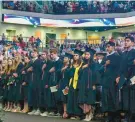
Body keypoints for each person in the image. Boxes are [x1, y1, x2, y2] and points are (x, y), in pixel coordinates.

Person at [116, 36, 135, 122]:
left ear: (133, 43)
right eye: (125, 41)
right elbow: (121, 66)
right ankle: (127, 116)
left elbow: (131, 64)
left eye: (128, 41)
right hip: (124, 79)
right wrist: (118, 76)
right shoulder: (124, 53)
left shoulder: (134, 51)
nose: (126, 42)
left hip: (132, 78)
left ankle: (131, 118)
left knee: (132, 98)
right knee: (126, 98)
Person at [101, 41, 121, 122]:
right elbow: (100, 68)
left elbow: (120, 68)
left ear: (113, 47)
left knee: (113, 98)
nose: (107, 48)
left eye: (109, 46)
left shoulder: (117, 56)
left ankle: (116, 116)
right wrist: (105, 64)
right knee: (106, 98)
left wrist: (118, 77)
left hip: (113, 80)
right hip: (106, 80)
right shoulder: (105, 57)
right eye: (107, 46)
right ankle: (109, 115)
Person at [78, 48, 97, 121]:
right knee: (84, 100)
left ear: (91, 55)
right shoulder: (83, 63)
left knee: (89, 99)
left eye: (88, 54)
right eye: (85, 54)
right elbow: (79, 73)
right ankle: (86, 114)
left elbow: (95, 74)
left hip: (90, 84)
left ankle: (90, 114)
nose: (86, 55)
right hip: (83, 84)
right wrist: (83, 67)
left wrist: (94, 84)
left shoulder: (94, 64)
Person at [67, 49, 83, 119]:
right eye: (74, 55)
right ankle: (71, 113)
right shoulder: (72, 64)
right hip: (71, 82)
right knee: (71, 98)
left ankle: (78, 114)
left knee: (76, 98)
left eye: (76, 55)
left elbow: (81, 74)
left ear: (79, 56)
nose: (75, 56)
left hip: (78, 83)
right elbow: (70, 74)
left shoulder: (82, 64)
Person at [27, 49, 42, 115]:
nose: (33, 53)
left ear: (37, 54)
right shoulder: (30, 61)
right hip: (31, 80)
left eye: (35, 52)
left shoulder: (39, 61)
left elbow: (39, 70)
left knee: (37, 95)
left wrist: (32, 69)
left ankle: (38, 109)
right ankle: (33, 108)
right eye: (32, 52)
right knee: (32, 95)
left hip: (37, 80)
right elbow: (28, 68)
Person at [48, 48, 63, 116]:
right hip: (53, 81)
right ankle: (55, 110)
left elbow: (60, 71)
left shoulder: (60, 61)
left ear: (56, 53)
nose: (51, 56)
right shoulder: (53, 62)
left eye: (52, 54)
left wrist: (54, 69)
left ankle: (60, 111)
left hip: (57, 82)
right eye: (50, 54)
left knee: (57, 96)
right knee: (53, 96)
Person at [40, 50, 53, 117]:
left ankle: (48, 110)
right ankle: (44, 109)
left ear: (47, 55)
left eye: (44, 54)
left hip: (47, 81)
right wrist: (42, 68)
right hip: (42, 80)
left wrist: (47, 83)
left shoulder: (50, 62)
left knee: (47, 96)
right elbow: (42, 72)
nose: (43, 55)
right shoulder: (43, 62)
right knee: (43, 96)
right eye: (42, 54)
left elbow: (49, 73)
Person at [59, 52, 73, 118]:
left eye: (66, 58)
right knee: (63, 99)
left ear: (69, 59)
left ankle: (68, 113)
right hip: (62, 84)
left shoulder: (71, 67)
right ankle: (64, 112)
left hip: (68, 85)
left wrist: (68, 85)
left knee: (68, 99)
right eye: (64, 58)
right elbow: (59, 74)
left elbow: (71, 77)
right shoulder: (62, 66)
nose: (64, 59)